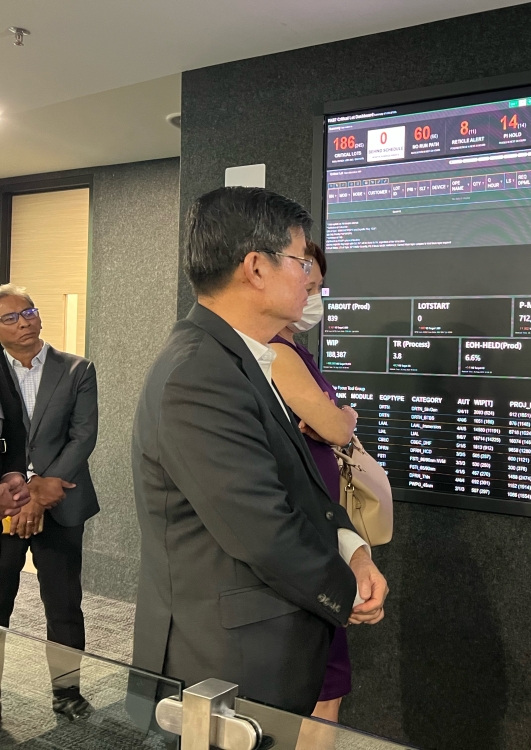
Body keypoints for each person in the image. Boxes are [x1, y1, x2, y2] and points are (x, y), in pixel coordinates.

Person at [131, 187, 388, 715]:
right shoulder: (199, 374)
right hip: (222, 666)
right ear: (255, 267)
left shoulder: (245, 358)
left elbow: (295, 485)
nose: (308, 279)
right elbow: (263, 528)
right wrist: (348, 590)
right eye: (298, 260)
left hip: (256, 648)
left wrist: (351, 547)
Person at [0, 285, 99, 723]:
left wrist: (39, 488)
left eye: (30, 312)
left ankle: (67, 693)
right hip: (4, 505)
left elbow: (83, 436)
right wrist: (18, 492)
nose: (25, 322)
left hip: (61, 502)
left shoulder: (77, 369)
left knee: (63, 604)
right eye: (11, 318)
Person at [270, 240, 358, 722]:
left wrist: (336, 418)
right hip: (304, 523)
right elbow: (334, 428)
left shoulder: (296, 350)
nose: (312, 294)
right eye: (308, 281)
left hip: (322, 515)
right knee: (321, 679)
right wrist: (343, 417)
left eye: (319, 285)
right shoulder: (278, 353)